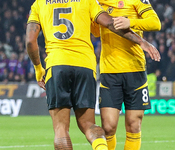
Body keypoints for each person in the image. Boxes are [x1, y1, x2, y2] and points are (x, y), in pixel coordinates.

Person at [26, 0, 160, 150]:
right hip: (85, 65)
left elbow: (30, 41)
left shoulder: (39, 4)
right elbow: (109, 23)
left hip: (57, 64)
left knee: (61, 128)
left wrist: (38, 69)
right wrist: (141, 41)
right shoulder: (87, 1)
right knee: (90, 125)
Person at [92, 0, 161, 149]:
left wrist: (129, 22)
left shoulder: (137, 1)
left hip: (135, 69)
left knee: (134, 125)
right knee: (108, 127)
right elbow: (96, 31)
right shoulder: (98, 2)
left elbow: (155, 23)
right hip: (110, 71)